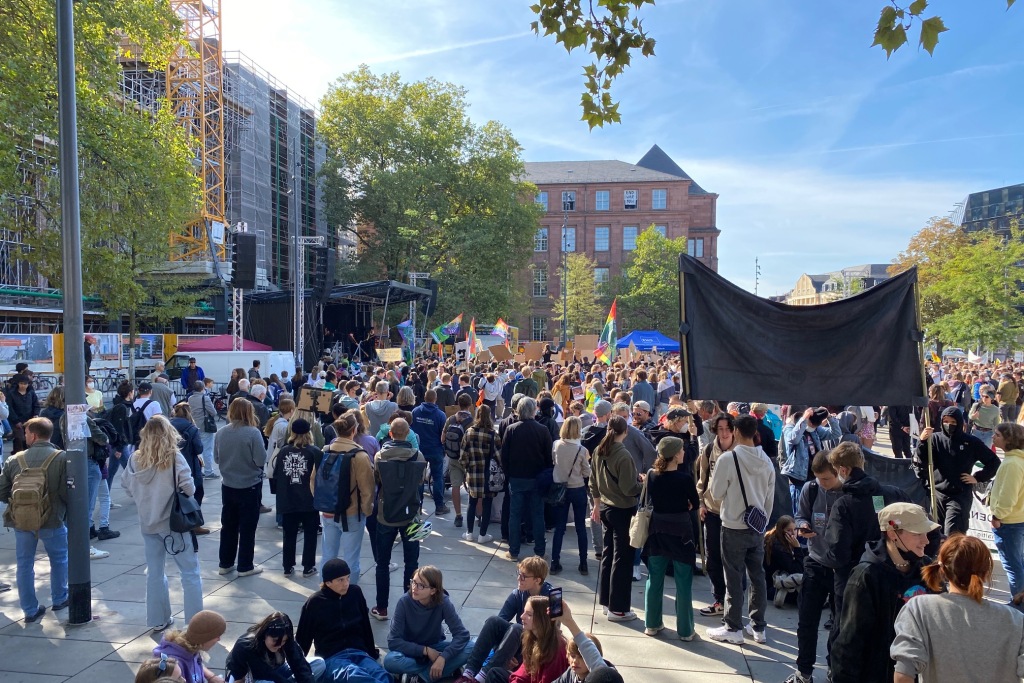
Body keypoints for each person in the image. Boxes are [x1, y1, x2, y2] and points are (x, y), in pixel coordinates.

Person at [891, 533, 1024, 683]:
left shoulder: (919, 609)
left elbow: (903, 674)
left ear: (942, 569)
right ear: (987, 573)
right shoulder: (1015, 620)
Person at [830, 503, 937, 683]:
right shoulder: (866, 575)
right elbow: (848, 644)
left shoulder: (927, 569)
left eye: (926, 533)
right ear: (893, 534)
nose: (926, 540)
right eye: (917, 534)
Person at [122, 415, 204, 632]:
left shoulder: (134, 459)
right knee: (190, 572)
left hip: (148, 522)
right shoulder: (174, 458)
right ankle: (194, 623)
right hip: (173, 523)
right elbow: (190, 488)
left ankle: (158, 619)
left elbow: (126, 485)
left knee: (155, 572)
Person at [707, 414, 775, 645]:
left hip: (733, 524)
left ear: (735, 431)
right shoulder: (766, 461)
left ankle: (733, 626)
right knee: (757, 577)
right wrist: (762, 521)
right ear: (755, 432)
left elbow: (715, 494)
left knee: (733, 577)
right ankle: (758, 626)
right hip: (757, 526)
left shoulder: (728, 459)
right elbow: (769, 499)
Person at [786, 451, 845, 683]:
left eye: (827, 479)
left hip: (841, 567)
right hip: (815, 560)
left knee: (839, 624)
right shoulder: (811, 489)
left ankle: (834, 668)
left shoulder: (849, 492)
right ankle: (804, 672)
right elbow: (800, 515)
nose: (823, 484)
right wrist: (802, 525)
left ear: (839, 472)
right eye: (819, 478)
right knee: (807, 621)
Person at [0, 417, 67, 620]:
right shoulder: (62, 458)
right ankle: (59, 598)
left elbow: (2, 492)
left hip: (22, 521)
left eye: (27, 433)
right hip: (52, 519)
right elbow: (66, 492)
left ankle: (29, 609)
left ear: (34, 435)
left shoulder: (15, 460)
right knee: (59, 560)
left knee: (24, 564)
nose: (25, 435)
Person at [458, 556, 553, 683]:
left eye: (524, 576)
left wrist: (521, 656)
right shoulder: (517, 594)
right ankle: (469, 673)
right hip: (516, 643)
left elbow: (550, 636)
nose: (519, 578)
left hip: (535, 646)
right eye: (518, 573)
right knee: (493, 621)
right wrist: (504, 652)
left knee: (517, 627)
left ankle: (481, 677)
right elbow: (500, 625)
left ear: (537, 580)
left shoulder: (550, 598)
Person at [643, 436, 700, 641]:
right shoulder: (684, 479)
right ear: (676, 455)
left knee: (654, 578)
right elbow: (694, 502)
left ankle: (652, 623)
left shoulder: (652, 476)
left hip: (657, 531)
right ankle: (685, 630)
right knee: (683, 581)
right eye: (682, 450)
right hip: (681, 532)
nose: (684, 452)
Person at [295, 559, 389, 683]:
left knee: (382, 675)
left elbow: (366, 626)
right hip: (332, 658)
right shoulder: (315, 602)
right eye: (341, 580)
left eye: (348, 578)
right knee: (354, 676)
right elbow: (303, 638)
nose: (346, 583)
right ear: (328, 582)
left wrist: (372, 654)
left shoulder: (355, 593)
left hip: (359, 653)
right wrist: (297, 668)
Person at [371, 418, 427, 621]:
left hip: (386, 514)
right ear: (408, 433)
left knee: (382, 563)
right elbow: (421, 480)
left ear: (391, 434)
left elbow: (377, 480)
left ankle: (382, 607)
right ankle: (410, 605)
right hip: (413, 514)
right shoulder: (417, 455)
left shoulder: (379, 455)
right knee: (412, 562)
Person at [915, 405, 1000, 535]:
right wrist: (922, 442)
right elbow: (920, 462)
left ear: (960, 423)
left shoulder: (971, 442)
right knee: (935, 534)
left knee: (953, 534)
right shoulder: (934, 439)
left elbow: (994, 462)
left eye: (953, 422)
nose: (949, 425)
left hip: (959, 495)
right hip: (937, 494)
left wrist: (977, 477)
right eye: (946, 421)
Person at [589, 415, 641, 621]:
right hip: (621, 509)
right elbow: (629, 489)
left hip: (606, 507)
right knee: (623, 559)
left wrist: (596, 504)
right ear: (625, 431)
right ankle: (618, 608)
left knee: (609, 556)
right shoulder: (623, 455)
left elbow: (592, 481)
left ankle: (606, 602)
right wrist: (643, 483)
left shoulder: (599, 450)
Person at [383, 565, 474, 682]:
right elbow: (393, 641)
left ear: (433, 590)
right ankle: (438, 671)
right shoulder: (404, 602)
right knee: (390, 661)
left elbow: (462, 634)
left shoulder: (443, 602)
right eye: (413, 582)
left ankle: (420, 677)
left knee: (472, 647)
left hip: (435, 646)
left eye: (421, 585)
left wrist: (443, 657)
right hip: (409, 650)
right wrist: (424, 650)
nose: (414, 588)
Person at [317, 413, 374, 584]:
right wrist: (366, 510)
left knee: (327, 555)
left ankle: (325, 591)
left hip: (328, 511)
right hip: (352, 513)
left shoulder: (325, 451)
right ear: (354, 430)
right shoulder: (360, 456)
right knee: (351, 558)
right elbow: (367, 489)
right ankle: (350, 594)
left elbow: (314, 481)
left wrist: (323, 502)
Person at [215, 398, 267, 577]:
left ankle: (225, 562)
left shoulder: (221, 432)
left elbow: (216, 458)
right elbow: (261, 460)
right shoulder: (253, 433)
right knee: (247, 526)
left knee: (228, 525)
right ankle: (245, 565)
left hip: (228, 485)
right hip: (249, 485)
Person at [501, 397, 554, 562]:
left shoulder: (511, 429)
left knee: (515, 515)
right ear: (533, 410)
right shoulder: (542, 430)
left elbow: (504, 456)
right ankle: (539, 551)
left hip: (517, 478)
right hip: (536, 478)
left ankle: (514, 551)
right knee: (537, 515)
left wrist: (509, 473)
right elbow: (548, 456)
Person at [695, 411, 734, 618]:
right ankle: (719, 598)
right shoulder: (709, 450)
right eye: (720, 429)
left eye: (728, 429)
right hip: (712, 511)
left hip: (734, 514)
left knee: (733, 559)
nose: (725, 433)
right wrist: (701, 503)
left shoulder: (742, 451)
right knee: (712, 557)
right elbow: (702, 481)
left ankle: (734, 600)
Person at [272, 418, 321, 577]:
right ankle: (308, 566)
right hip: (309, 500)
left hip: (288, 499)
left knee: (289, 534)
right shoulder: (314, 452)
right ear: (309, 432)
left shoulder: (283, 451)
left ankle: (287, 566)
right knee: (310, 534)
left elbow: (276, 474)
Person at [485, 595, 568, 683]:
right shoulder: (532, 637)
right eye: (524, 612)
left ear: (542, 619)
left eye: (529, 614)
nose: (522, 616)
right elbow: (524, 673)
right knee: (495, 674)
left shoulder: (557, 648)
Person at [226, 612, 325, 683]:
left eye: (283, 641)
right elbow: (267, 674)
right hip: (251, 677)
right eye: (275, 640)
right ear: (264, 634)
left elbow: (299, 664)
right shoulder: (246, 645)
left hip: (277, 670)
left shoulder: (285, 639)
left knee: (319, 663)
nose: (279, 645)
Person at [551, 416, 592, 576]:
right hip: (577, 488)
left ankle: (555, 562)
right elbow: (587, 472)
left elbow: (554, 462)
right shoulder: (582, 450)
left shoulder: (556, 445)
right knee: (580, 527)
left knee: (559, 528)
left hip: (560, 488)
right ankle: (583, 563)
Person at [781, 407, 839, 516]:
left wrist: (829, 417)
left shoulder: (815, 430)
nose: (813, 427)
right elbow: (793, 439)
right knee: (799, 510)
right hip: (798, 477)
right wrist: (804, 420)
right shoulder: (790, 428)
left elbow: (835, 433)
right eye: (812, 424)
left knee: (815, 507)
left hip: (815, 476)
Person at [990, 421, 1024, 604]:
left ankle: (1018, 606)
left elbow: (1007, 496)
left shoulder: (1012, 464)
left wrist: (997, 516)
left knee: (1013, 567)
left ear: (1009, 440)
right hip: (1018, 520)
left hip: (1009, 523)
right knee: (1020, 564)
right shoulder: (1018, 460)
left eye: (998, 434)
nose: (994, 436)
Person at [459, 403, 501, 544]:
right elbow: (498, 456)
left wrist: (467, 469)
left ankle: (469, 532)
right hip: (488, 476)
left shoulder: (469, 432)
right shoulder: (492, 435)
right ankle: (483, 533)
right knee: (488, 503)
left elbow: (463, 456)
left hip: (473, 473)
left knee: (472, 503)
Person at [153, 610, 227, 683]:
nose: (219, 639)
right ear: (205, 638)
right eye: (217, 636)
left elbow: (195, 662)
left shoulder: (191, 646)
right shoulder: (174, 665)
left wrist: (211, 676)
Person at [169, 403, 208, 534]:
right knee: (196, 493)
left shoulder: (167, 425)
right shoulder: (191, 428)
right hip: (189, 464)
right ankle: (194, 523)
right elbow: (198, 448)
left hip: (168, 463)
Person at [412, 388, 449, 516]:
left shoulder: (415, 412)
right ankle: (439, 505)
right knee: (438, 477)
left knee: (419, 479)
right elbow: (443, 434)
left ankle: (418, 506)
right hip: (435, 449)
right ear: (435, 399)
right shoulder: (440, 415)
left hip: (420, 449)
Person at [764, 515, 804, 608]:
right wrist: (797, 548)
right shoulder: (778, 546)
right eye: (788, 530)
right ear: (781, 530)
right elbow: (797, 570)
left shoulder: (776, 539)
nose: (792, 533)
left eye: (794, 530)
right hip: (773, 588)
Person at [187, 380, 219, 479]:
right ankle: (208, 471)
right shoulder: (205, 398)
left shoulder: (190, 398)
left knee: (197, 450)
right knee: (207, 450)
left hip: (193, 426)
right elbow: (213, 412)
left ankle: (198, 470)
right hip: (205, 426)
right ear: (202, 388)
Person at [7, 374, 39, 453]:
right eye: (21, 383)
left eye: (25, 384)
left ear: (28, 384)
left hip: (30, 420)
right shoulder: (12, 394)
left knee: (30, 439)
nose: (23, 386)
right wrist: (16, 421)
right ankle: (17, 455)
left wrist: (35, 414)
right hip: (17, 421)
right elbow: (10, 408)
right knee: (19, 439)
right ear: (18, 383)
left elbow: (36, 405)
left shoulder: (31, 393)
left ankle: (29, 454)